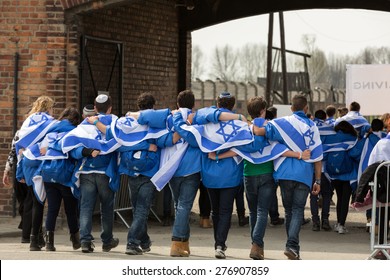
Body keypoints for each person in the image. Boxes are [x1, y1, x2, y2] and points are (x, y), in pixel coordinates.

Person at [253, 94, 323, 260]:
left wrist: (254, 121)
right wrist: (318, 180)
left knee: (289, 210)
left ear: (291, 108)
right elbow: (318, 156)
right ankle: (292, 246)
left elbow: (259, 131)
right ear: (306, 109)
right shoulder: (312, 127)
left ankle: (291, 245)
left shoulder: (281, 124)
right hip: (304, 175)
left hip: (284, 174)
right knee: (298, 210)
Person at [63, 94, 120, 253]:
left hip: (86, 171)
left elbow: (71, 149)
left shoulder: (83, 125)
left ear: (94, 108)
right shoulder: (114, 123)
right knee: (107, 207)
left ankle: (85, 241)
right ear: (110, 108)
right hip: (105, 172)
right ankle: (107, 241)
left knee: (86, 207)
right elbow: (122, 141)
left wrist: (86, 151)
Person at [15, 95, 58, 251]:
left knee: (33, 200)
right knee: (39, 203)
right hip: (39, 161)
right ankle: (35, 240)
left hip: (26, 162)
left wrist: (19, 172)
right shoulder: (49, 122)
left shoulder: (28, 120)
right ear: (48, 108)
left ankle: (37, 237)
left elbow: (18, 145)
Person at [39, 107, 82, 251]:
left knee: (52, 209)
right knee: (71, 209)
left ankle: (49, 243)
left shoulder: (51, 130)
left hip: (48, 173)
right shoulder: (74, 132)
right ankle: (75, 240)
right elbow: (76, 153)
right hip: (65, 173)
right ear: (75, 120)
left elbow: (42, 150)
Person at [167, 90, 202, 257]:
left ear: (177, 103)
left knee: (179, 206)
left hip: (173, 169)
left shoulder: (170, 119)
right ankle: (177, 241)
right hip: (191, 169)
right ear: (194, 104)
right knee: (184, 206)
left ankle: (183, 243)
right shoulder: (197, 120)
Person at [323, 120, 359, 234]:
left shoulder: (331, 138)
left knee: (339, 199)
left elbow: (324, 154)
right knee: (345, 200)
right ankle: (342, 225)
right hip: (349, 174)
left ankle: (338, 223)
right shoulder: (353, 138)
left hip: (334, 174)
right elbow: (355, 154)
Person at [2, 130, 31, 243]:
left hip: (20, 171)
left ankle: (27, 233)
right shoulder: (40, 131)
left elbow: (12, 152)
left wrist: (7, 171)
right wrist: (6, 171)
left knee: (26, 202)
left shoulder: (21, 132)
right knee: (27, 202)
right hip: (29, 171)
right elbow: (13, 151)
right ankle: (28, 230)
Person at [311, 109, 334, 231]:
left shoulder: (310, 127)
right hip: (325, 169)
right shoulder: (330, 128)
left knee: (313, 195)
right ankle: (325, 220)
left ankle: (315, 221)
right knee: (326, 195)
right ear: (325, 117)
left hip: (312, 168)